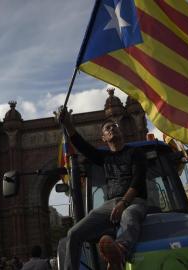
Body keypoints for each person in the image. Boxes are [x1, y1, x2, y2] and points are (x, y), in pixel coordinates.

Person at [59, 109, 148, 270]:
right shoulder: (105, 158)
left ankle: (119, 250)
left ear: (120, 132)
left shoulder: (135, 152)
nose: (111, 129)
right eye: (107, 129)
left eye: (114, 126)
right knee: (73, 234)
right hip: (110, 205)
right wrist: (67, 124)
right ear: (104, 138)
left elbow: (138, 180)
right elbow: (82, 146)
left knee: (129, 214)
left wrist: (122, 203)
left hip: (134, 201)